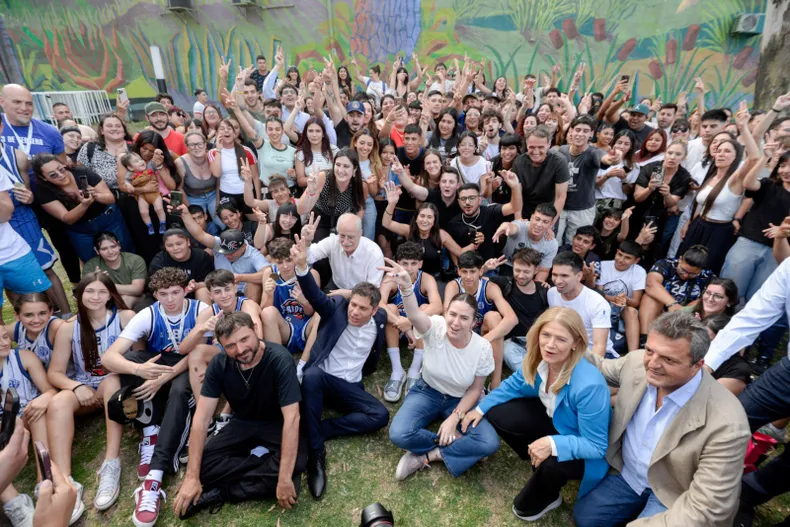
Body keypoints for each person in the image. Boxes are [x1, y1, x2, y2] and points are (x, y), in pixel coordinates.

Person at [574, 312, 750, 527]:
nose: (652, 364)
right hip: (627, 475)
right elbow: (600, 367)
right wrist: (562, 338)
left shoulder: (728, 425)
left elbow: (707, 508)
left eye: (668, 359)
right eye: (650, 350)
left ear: (698, 364)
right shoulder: (637, 362)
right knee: (586, 519)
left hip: (677, 493)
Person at [466, 307, 610, 521]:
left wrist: (552, 444)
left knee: (523, 509)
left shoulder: (590, 386)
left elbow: (597, 446)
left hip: (582, 444)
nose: (550, 345)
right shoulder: (538, 359)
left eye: (561, 339)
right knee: (497, 412)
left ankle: (552, 494)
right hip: (557, 422)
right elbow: (511, 386)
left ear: (576, 344)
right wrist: (480, 408)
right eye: (546, 335)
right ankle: (532, 453)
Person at [101, 267, 209, 527]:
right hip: (160, 365)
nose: (170, 299)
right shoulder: (148, 313)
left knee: (180, 390)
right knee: (129, 359)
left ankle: (155, 477)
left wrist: (165, 376)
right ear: (155, 294)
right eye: (164, 294)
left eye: (175, 292)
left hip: (188, 366)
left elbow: (200, 352)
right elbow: (108, 358)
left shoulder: (201, 309)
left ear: (186, 290)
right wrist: (141, 370)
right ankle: (150, 429)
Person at [172, 311, 307, 519]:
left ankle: (223, 492)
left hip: (276, 424)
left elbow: (292, 418)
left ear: (255, 329)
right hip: (243, 423)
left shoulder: (279, 358)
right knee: (201, 466)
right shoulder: (219, 364)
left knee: (295, 463)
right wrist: (191, 477)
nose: (241, 350)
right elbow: (200, 420)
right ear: (221, 345)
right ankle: (262, 463)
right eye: (231, 346)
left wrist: (284, 477)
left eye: (244, 339)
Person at [289, 236, 390, 499]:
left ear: (374, 309)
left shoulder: (380, 320)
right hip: (322, 379)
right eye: (353, 305)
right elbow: (315, 295)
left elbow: (404, 319)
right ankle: (316, 455)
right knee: (310, 376)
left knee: (380, 415)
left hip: (350, 386)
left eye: (362, 308)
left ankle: (319, 430)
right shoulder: (336, 308)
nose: (355, 312)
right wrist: (302, 267)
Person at [381, 256, 499, 480]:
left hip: (460, 399)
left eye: (464, 318)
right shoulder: (435, 326)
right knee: (399, 433)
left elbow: (475, 389)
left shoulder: (482, 347)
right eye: (452, 314)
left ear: (474, 322)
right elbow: (415, 315)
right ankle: (456, 442)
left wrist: (456, 416)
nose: (455, 322)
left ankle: (428, 456)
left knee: (489, 443)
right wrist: (406, 287)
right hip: (427, 391)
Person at [46, 272, 136, 522]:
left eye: (102, 292)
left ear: (110, 295)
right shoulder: (68, 328)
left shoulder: (125, 318)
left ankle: (111, 464)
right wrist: (75, 388)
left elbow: (139, 357)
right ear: (80, 294)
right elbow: (55, 372)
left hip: (115, 387)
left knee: (111, 380)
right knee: (59, 401)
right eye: (90, 291)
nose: (95, 297)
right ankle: (66, 482)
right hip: (85, 391)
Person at [0, 118, 72, 318]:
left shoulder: (18, 156)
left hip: (23, 220)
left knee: (46, 268)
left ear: (1, 127)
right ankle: (27, 324)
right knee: (11, 279)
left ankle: (66, 316)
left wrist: (29, 197)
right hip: (4, 227)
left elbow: (29, 191)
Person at [678, 107, 760, 274]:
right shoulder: (711, 175)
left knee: (704, 272)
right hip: (698, 225)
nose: (721, 154)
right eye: (719, 150)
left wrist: (743, 128)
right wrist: (690, 222)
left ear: (736, 156)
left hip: (719, 232)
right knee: (682, 266)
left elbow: (754, 158)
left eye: (727, 151)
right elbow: (702, 204)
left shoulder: (735, 179)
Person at [31, 154, 134, 263]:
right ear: (43, 178)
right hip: (80, 228)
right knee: (92, 262)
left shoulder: (81, 172)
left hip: (107, 218)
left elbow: (110, 198)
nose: (60, 175)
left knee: (125, 252)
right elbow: (67, 218)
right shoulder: (43, 190)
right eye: (53, 175)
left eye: (61, 169)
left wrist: (97, 196)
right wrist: (84, 205)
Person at [379, 242, 443, 402]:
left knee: (425, 307)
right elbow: (379, 303)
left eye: (413, 263)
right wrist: (402, 324)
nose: (408, 268)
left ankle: (415, 369)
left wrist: (410, 321)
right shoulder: (391, 278)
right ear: (398, 263)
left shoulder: (426, 279)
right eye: (404, 263)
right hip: (395, 328)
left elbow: (437, 305)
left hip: (416, 330)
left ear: (420, 263)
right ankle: (397, 370)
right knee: (391, 308)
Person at [443, 251, 517, 388]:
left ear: (481, 271)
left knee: (494, 317)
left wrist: (485, 339)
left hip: (483, 335)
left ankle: (495, 382)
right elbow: (446, 316)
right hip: (460, 333)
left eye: (472, 271)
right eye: (464, 271)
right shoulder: (453, 286)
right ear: (458, 271)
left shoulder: (490, 288)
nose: (468, 276)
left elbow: (512, 318)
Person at [179, 204, 270, 303]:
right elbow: (199, 234)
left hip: (244, 296)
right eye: (225, 252)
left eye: (232, 252)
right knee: (202, 290)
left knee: (253, 285)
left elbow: (272, 275)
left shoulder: (253, 254)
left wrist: (242, 277)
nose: (227, 255)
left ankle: (248, 317)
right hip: (220, 290)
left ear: (243, 246)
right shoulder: (219, 244)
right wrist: (185, 214)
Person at [260, 238, 320, 378]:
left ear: (295, 256)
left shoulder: (311, 274)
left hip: (307, 327)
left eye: (289, 260)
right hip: (284, 329)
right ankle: (279, 365)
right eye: (280, 262)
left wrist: (304, 302)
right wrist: (269, 295)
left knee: (321, 315)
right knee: (268, 312)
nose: (285, 266)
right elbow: (264, 311)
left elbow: (313, 311)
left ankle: (303, 365)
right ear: (273, 261)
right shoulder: (271, 274)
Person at [556, 115, 621, 244]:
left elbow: (605, 158)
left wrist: (614, 159)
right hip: (560, 207)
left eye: (585, 131)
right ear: (571, 131)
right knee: (553, 242)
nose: (580, 134)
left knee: (575, 245)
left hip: (582, 210)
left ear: (591, 134)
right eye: (578, 130)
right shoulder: (562, 151)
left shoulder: (593, 152)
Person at [638, 245, 712, 342]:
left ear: (701, 270)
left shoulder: (707, 276)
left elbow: (705, 300)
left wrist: (683, 310)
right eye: (683, 270)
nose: (685, 275)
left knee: (701, 303)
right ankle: (645, 340)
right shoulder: (665, 264)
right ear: (680, 259)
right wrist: (672, 303)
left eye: (692, 274)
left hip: (682, 316)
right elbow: (651, 284)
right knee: (650, 298)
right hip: (658, 309)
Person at [548, 251, 614, 357]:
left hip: (594, 355)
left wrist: (589, 372)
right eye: (554, 275)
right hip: (565, 352)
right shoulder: (551, 293)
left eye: (564, 276)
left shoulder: (597, 303)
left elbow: (599, 346)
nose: (558, 281)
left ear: (579, 276)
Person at [300, 212, 384, 294]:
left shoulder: (374, 253)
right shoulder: (333, 241)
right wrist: (306, 242)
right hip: (337, 286)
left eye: (350, 237)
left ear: (360, 233)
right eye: (342, 236)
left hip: (363, 294)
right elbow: (309, 258)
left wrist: (349, 294)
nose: (345, 242)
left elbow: (373, 291)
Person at [445, 176, 522, 265]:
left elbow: (514, 207)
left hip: (491, 266)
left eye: (472, 198)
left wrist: (515, 187)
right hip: (466, 269)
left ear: (479, 199)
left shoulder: (489, 211)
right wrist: (458, 268)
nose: (467, 202)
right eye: (463, 199)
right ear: (458, 201)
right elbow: (453, 251)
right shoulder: (453, 223)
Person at [496, 248, 550, 372]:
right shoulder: (506, 284)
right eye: (517, 270)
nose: (520, 276)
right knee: (508, 351)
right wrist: (486, 269)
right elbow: (475, 282)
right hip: (513, 342)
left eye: (526, 272)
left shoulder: (544, 291)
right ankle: (534, 377)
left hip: (538, 341)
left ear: (536, 270)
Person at [595, 241, 646, 353]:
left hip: (623, 307)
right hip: (603, 304)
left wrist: (626, 300)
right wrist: (613, 299)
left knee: (631, 312)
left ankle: (633, 354)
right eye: (620, 255)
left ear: (636, 261)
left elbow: (636, 302)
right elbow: (598, 293)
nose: (621, 260)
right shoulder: (603, 265)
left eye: (627, 258)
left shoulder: (639, 272)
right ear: (616, 252)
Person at [512, 126, 570, 219]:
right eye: (531, 147)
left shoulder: (559, 161)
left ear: (549, 144)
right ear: (526, 145)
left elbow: (560, 196)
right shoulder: (519, 162)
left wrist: (551, 223)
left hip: (548, 213)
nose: (536, 151)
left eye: (540, 147)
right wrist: (518, 220)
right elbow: (517, 194)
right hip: (526, 212)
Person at [148, 228, 214, 306]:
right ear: (165, 247)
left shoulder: (201, 256)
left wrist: (195, 286)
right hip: (167, 295)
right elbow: (154, 287)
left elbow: (211, 282)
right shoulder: (159, 260)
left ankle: (205, 317)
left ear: (188, 242)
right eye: (170, 245)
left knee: (202, 291)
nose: (175, 248)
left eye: (179, 244)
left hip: (193, 293)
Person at [208, 119, 259, 219]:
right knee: (233, 225)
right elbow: (217, 174)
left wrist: (258, 200)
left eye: (229, 128)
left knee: (255, 223)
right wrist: (219, 150)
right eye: (222, 129)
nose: (226, 131)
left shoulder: (246, 151)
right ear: (217, 133)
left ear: (235, 132)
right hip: (227, 195)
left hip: (247, 193)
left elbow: (256, 177)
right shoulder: (213, 152)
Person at [496, 202, 559, 281]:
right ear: (532, 217)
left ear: (551, 224)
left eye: (545, 222)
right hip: (508, 266)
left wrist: (536, 288)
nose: (539, 224)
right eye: (537, 219)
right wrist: (505, 226)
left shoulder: (552, 244)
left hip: (530, 272)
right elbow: (511, 226)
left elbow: (543, 270)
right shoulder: (521, 225)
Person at [84, 231, 147, 307]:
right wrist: (96, 282)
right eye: (104, 249)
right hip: (106, 302)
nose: (110, 252)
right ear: (97, 251)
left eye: (113, 246)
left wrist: (106, 284)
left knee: (125, 299)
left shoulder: (135, 260)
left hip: (135, 300)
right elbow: (88, 294)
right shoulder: (90, 266)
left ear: (119, 245)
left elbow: (137, 290)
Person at [174, 131, 220, 227]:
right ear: (187, 147)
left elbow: (219, 182)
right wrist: (190, 208)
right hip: (193, 197)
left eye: (199, 143)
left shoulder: (212, 156)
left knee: (221, 222)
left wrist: (218, 202)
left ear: (205, 144)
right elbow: (179, 188)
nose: (197, 147)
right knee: (196, 225)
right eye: (192, 145)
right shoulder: (180, 162)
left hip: (214, 195)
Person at [120, 152, 168, 236]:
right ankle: (149, 226)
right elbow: (125, 181)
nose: (141, 162)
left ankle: (163, 223)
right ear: (130, 167)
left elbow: (154, 162)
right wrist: (128, 184)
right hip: (142, 196)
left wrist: (157, 154)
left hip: (154, 194)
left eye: (140, 159)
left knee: (159, 209)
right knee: (143, 212)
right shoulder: (130, 174)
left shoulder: (149, 167)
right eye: (136, 161)